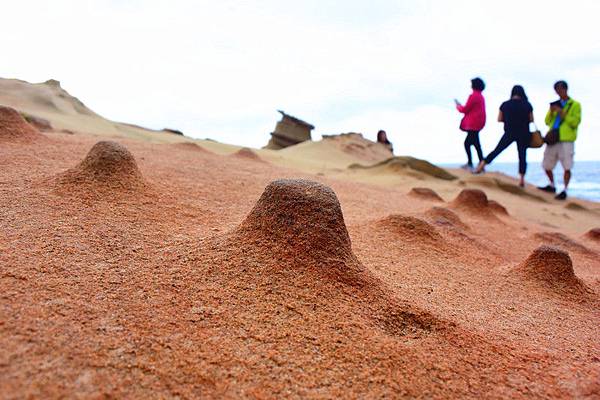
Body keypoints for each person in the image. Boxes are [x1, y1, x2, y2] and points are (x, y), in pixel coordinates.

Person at [474, 85, 533, 187]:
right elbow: (531, 119)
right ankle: (522, 180)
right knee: (522, 156)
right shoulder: (527, 105)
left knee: (497, 150)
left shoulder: (505, 105)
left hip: (509, 132)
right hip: (524, 133)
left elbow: (499, 119)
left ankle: (481, 166)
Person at [537, 80, 582, 200]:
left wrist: (562, 113)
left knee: (567, 165)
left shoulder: (574, 105)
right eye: (556, 90)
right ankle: (552, 185)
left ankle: (565, 190)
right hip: (553, 138)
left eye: (560, 89)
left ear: (565, 89)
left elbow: (575, 122)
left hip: (566, 139)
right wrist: (552, 112)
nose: (558, 92)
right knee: (546, 164)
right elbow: (547, 121)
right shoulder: (555, 104)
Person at [455, 77, 486, 170]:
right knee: (475, 143)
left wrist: (458, 106)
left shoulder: (473, 96)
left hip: (473, 123)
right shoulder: (481, 96)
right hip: (478, 123)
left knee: (468, 143)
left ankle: (471, 163)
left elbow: (465, 110)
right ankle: (480, 164)